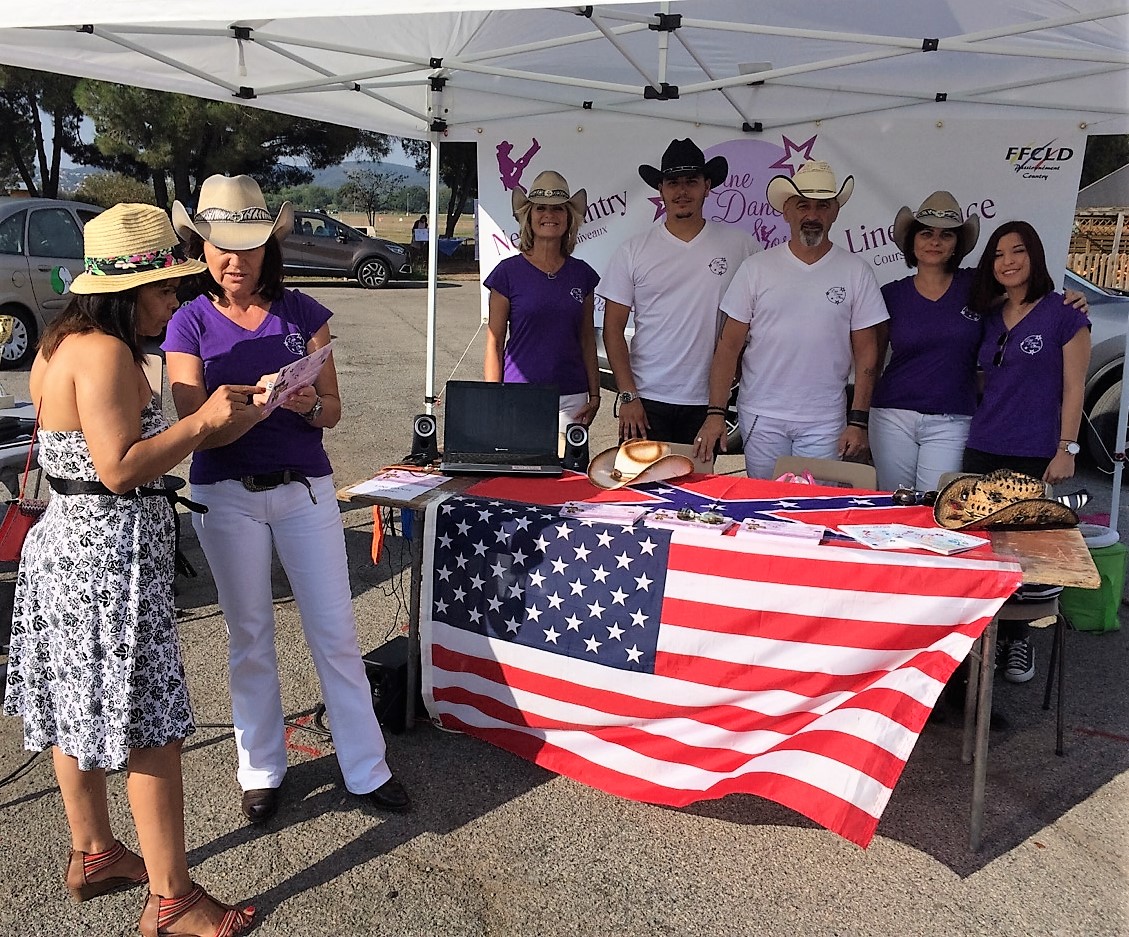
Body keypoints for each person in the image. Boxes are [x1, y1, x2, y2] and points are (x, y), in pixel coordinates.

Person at [2, 204, 257, 936]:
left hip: (66, 552)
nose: (174, 302)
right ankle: (172, 899)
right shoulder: (108, 354)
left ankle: (94, 852)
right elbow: (118, 469)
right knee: (151, 727)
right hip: (107, 560)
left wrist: (233, 416)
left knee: (71, 710)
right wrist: (202, 423)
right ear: (124, 292)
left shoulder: (61, 341)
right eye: (164, 289)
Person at [164, 174, 411, 824]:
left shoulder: (304, 313)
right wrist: (253, 407)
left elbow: (332, 411)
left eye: (246, 245)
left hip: (304, 490)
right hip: (227, 496)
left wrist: (303, 404)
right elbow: (195, 420)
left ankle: (367, 766)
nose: (233, 259)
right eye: (220, 244)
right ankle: (261, 769)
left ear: (266, 248)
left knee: (333, 631)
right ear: (202, 245)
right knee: (249, 635)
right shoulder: (187, 321)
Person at [694, 160, 887, 478]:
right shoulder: (756, 269)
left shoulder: (856, 271)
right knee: (764, 510)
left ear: (835, 211)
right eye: (803, 206)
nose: (812, 215)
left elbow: (868, 352)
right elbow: (728, 347)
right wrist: (716, 412)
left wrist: (858, 421)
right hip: (761, 415)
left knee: (814, 513)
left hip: (824, 419)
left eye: (822, 206)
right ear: (786, 211)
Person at [961, 219, 1091, 683]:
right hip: (981, 446)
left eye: (1017, 251)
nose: (1007, 261)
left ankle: (1018, 643)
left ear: (1034, 256)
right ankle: (978, 641)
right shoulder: (990, 315)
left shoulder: (1065, 314)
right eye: (998, 254)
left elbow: (1075, 389)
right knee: (981, 548)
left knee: (1023, 553)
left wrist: (1067, 448)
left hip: (1034, 450)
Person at [599, 137, 759, 445]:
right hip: (646, 399)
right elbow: (613, 330)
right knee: (640, 491)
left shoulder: (741, 246)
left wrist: (736, 367)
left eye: (691, 181)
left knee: (696, 491)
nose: (681, 191)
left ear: (707, 185)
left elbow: (757, 318)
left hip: (707, 401)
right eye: (673, 182)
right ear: (661, 189)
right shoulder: (633, 250)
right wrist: (629, 395)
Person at [868, 192, 983, 491]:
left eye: (946, 235)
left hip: (953, 418)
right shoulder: (890, 294)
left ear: (957, 243)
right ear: (912, 240)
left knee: (936, 506)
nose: (935, 241)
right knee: (894, 505)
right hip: (892, 416)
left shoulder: (978, 286)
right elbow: (872, 360)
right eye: (926, 233)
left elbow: (1027, 301)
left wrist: (1069, 302)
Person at [484, 170, 601, 435]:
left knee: (569, 475)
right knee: (519, 473)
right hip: (519, 396)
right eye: (541, 208)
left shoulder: (582, 274)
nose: (550, 215)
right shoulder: (507, 273)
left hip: (572, 398)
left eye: (558, 209)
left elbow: (586, 339)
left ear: (569, 217)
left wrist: (595, 396)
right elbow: (494, 341)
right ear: (529, 217)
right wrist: (491, 398)